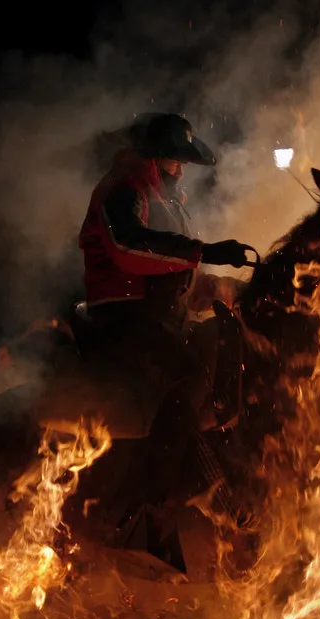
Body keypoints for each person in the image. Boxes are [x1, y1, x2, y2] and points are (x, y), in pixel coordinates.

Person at [77, 112, 253, 559]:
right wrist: (206, 251)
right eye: (176, 159)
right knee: (190, 377)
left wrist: (225, 290)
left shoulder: (164, 197)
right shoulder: (124, 188)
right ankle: (142, 508)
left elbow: (177, 274)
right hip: (123, 318)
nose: (182, 168)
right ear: (156, 155)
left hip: (160, 316)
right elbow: (129, 248)